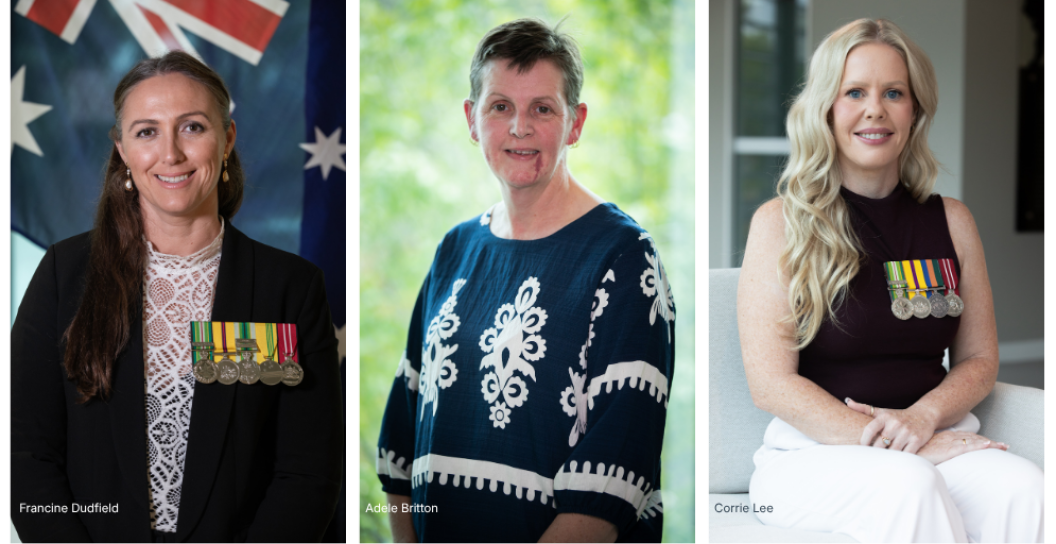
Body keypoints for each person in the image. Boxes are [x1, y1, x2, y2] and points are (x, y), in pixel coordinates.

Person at [11, 51, 343, 543]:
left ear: (226, 139)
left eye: (192, 128)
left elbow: (306, 473)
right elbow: (25, 456)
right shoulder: (65, 274)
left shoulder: (288, 288)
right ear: (122, 148)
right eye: (146, 131)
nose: (171, 154)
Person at [738, 18, 1042, 543]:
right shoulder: (778, 223)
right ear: (827, 109)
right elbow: (771, 384)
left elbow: (978, 360)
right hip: (813, 458)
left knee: (1025, 489)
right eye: (853, 91)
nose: (874, 108)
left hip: (934, 439)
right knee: (909, 484)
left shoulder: (952, 221)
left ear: (914, 110)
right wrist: (905, 444)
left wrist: (923, 420)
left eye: (893, 93)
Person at [375, 18, 675, 543]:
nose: (520, 127)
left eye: (542, 108)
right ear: (472, 120)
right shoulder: (454, 249)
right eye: (500, 107)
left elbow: (613, 482)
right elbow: (400, 449)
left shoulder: (624, 259)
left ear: (575, 123)